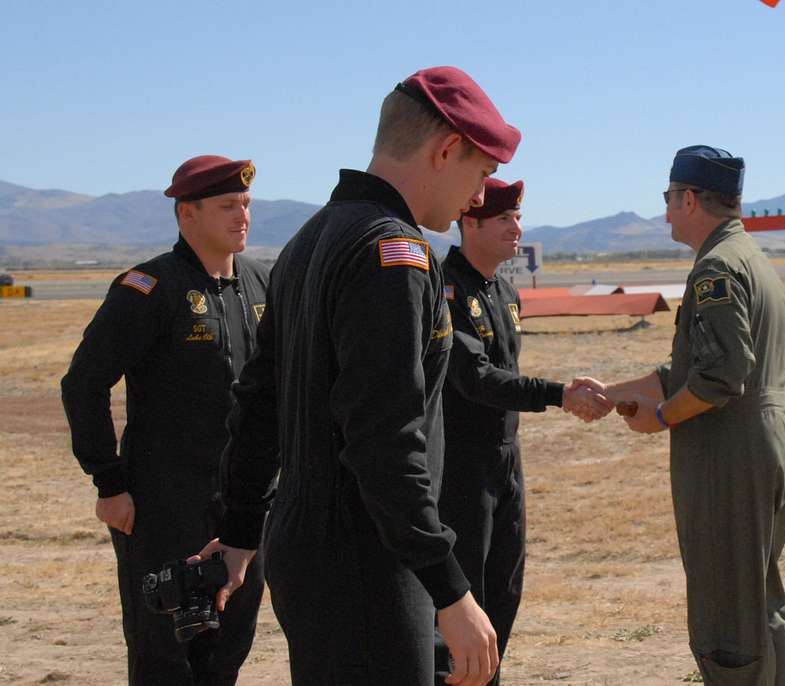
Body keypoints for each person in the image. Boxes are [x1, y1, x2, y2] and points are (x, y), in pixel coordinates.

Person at [192, 67, 520, 686]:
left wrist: (240, 530)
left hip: (313, 545)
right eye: (480, 173)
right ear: (445, 149)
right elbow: (385, 441)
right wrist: (450, 589)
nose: (479, 197)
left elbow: (258, 399)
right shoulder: (392, 253)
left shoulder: (311, 238)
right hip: (367, 559)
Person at [575, 146, 785, 685]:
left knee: (727, 617)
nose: (666, 212)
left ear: (691, 198)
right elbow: (690, 368)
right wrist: (613, 393)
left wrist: (664, 416)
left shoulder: (716, 268)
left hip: (732, 455)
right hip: (761, 444)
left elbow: (722, 373)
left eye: (670, 199)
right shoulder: (746, 256)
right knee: (758, 606)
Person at [61, 155, 269, 685]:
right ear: (187, 214)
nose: (242, 215)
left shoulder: (263, 284)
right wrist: (109, 482)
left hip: (241, 504)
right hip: (163, 505)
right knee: (166, 653)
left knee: (230, 644)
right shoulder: (150, 288)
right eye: (227, 206)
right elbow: (84, 384)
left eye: (245, 204)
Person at [435, 177, 612, 684]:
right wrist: (559, 394)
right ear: (470, 223)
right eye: (505, 219)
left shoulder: (505, 291)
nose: (518, 228)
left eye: (519, 217)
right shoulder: (446, 288)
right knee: (465, 594)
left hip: (505, 460)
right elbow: (474, 378)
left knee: (505, 588)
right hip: (461, 465)